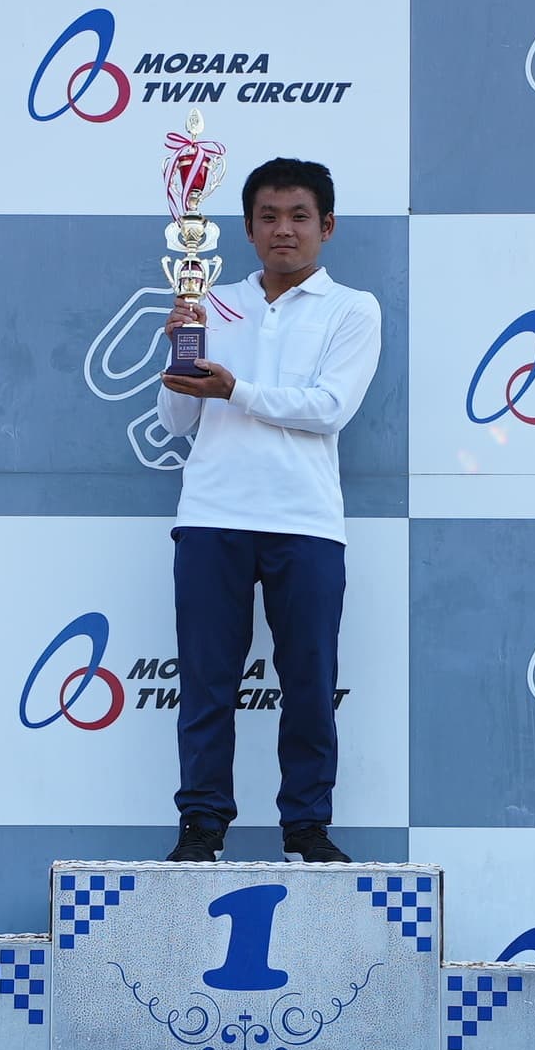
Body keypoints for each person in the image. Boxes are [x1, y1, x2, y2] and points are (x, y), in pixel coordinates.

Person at [155, 158, 379, 863]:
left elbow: (329, 409)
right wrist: (181, 349)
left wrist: (237, 390)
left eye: (299, 216)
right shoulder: (211, 304)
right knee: (206, 682)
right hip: (211, 515)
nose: (285, 229)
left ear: (326, 226)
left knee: (309, 683)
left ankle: (306, 827)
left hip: (305, 522)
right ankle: (201, 826)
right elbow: (175, 420)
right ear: (248, 229)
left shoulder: (353, 309)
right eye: (269, 217)